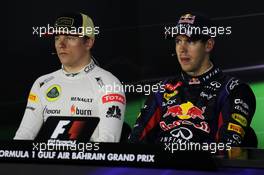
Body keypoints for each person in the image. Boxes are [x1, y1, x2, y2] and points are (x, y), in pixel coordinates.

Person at [128, 13, 256, 147]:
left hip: (202, 167)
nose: (182, 49)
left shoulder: (234, 90)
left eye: (190, 41)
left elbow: (226, 148)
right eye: (178, 41)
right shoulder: (163, 88)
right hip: (162, 166)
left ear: (209, 45)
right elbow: (135, 142)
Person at [14, 12, 126, 142]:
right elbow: (24, 135)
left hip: (89, 162)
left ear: (88, 42)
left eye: (70, 37)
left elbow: (108, 142)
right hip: (47, 162)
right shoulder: (42, 83)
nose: (61, 44)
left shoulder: (109, 84)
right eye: (57, 38)